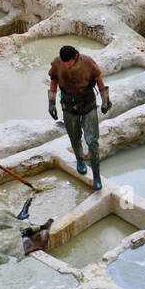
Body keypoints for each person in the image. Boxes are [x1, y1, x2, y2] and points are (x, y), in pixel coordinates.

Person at [48, 44, 111, 190]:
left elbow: (100, 82)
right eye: (64, 62)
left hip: (88, 103)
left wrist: (105, 100)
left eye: (68, 62)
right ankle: (80, 160)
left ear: (75, 57)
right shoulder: (58, 63)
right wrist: (51, 103)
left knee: (92, 141)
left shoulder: (88, 62)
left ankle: (96, 175)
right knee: (74, 136)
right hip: (69, 105)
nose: (66, 65)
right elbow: (53, 82)